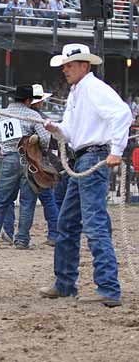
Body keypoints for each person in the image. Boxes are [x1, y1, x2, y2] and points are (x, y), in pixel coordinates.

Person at [40, 44, 133, 307]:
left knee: (92, 224)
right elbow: (70, 131)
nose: (65, 70)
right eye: (65, 66)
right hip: (83, 158)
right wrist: (56, 129)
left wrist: (116, 150)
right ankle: (66, 283)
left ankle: (108, 288)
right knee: (69, 224)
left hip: (92, 158)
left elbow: (122, 114)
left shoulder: (93, 89)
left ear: (84, 66)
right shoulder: (79, 92)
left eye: (70, 65)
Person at [0, 84, 51, 250]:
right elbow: (46, 140)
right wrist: (39, 147)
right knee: (27, 201)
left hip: (9, 159)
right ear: (28, 100)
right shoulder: (33, 115)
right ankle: (22, 240)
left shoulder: (1, 116)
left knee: (1, 201)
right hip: (29, 160)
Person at [2, 85, 60, 246]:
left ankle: (8, 231)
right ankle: (53, 233)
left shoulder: (13, 115)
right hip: (37, 162)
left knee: (8, 198)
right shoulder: (37, 117)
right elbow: (47, 141)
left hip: (18, 159)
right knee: (45, 199)